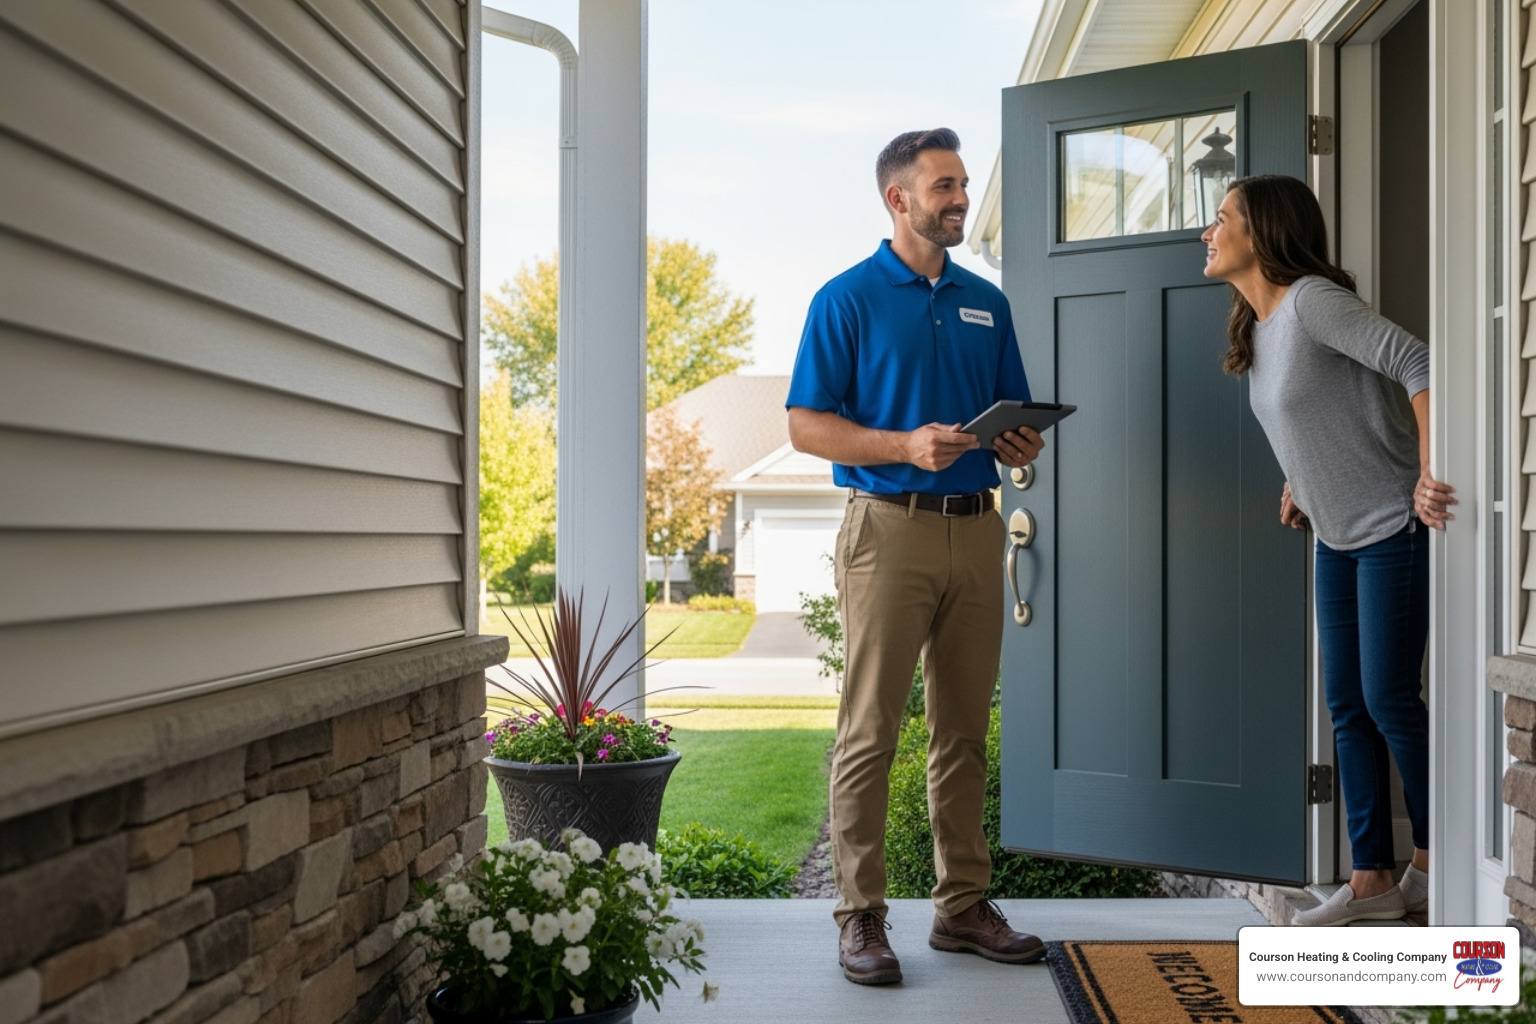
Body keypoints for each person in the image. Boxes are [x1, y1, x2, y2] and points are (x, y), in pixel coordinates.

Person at [785, 128, 1047, 984]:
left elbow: (1008, 418)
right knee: (870, 730)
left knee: (964, 730)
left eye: (964, 183)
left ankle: (961, 907)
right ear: (898, 199)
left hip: (977, 525)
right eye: (944, 185)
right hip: (887, 528)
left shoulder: (985, 302)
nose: (960, 197)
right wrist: (904, 444)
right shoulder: (847, 299)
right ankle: (860, 916)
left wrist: (1015, 443)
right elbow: (805, 424)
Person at [1200, 174, 1455, 926]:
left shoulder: (1312, 300)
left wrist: (1430, 471)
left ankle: (1439, 858)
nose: (1209, 234)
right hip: (1334, 537)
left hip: (1390, 530)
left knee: (1387, 700)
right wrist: (1298, 482)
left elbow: (1421, 364)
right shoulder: (1260, 322)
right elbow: (1312, 414)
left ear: (1262, 232)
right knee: (1347, 705)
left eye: (1222, 219)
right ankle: (1372, 878)